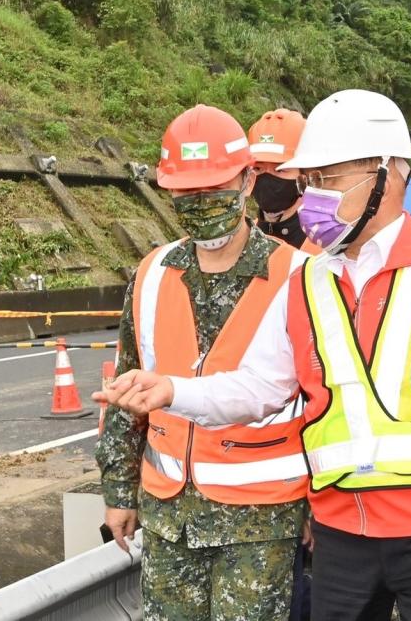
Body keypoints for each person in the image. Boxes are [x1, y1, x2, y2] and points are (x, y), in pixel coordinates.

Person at [96, 89, 411, 621]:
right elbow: (258, 387)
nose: (313, 196)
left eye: (328, 179)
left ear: (386, 174)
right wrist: (173, 391)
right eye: (309, 182)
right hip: (343, 534)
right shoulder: (309, 279)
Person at [94, 104, 310, 621]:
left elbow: (324, 402)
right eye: (185, 192)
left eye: (212, 188)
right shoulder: (152, 272)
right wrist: (119, 490)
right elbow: (127, 392)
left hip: (262, 520)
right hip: (168, 514)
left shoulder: (298, 275)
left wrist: (322, 505)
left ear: (247, 180)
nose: (198, 203)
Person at [248, 109, 319, 255]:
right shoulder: (245, 238)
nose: (267, 179)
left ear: (305, 175)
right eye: (258, 168)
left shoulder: (321, 246)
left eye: (280, 170)